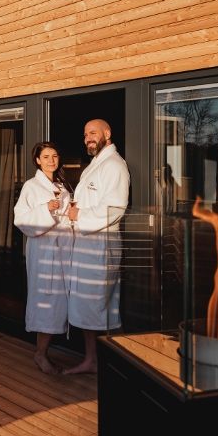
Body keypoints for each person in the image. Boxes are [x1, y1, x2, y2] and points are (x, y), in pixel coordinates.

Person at [64, 119, 130, 374]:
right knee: (93, 307)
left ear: (107, 133)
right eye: (85, 135)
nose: (87, 138)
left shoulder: (114, 166)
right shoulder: (97, 164)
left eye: (92, 133)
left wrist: (78, 215)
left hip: (101, 244)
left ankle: (123, 362)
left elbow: (114, 208)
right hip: (88, 244)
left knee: (101, 306)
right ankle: (93, 360)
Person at [13, 141, 74, 374]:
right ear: (37, 160)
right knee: (46, 301)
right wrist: (46, 209)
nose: (51, 160)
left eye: (55, 156)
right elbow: (21, 220)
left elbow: (68, 217)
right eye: (46, 156)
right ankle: (40, 354)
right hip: (44, 252)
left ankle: (47, 352)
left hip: (64, 250)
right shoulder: (31, 187)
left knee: (60, 302)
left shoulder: (62, 185)